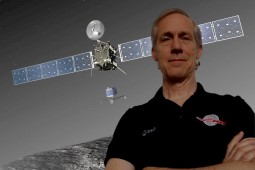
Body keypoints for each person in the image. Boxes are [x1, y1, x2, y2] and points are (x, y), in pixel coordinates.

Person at [104, 8, 255, 170]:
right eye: (166, 39)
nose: (176, 46)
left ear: (199, 50)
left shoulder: (235, 108)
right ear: (154, 53)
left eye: (185, 37)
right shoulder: (132, 120)